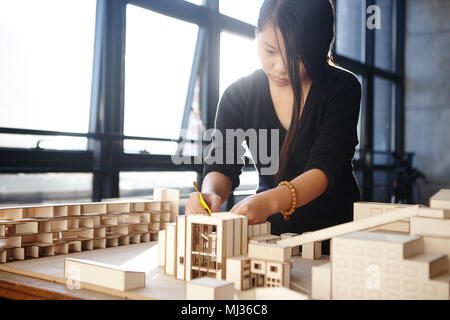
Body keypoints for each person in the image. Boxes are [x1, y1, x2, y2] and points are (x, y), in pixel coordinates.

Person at [185, 0, 361, 255]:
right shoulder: (238, 95)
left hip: (337, 232)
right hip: (272, 234)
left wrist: (267, 201)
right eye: (269, 50)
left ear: (320, 46)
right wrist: (210, 194)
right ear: (256, 35)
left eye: (298, 57)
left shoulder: (342, 87)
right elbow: (223, 161)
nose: (280, 67)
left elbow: (327, 165)